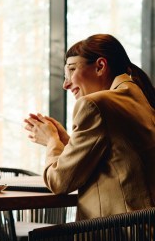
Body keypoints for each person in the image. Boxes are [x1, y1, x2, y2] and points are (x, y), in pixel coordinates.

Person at [24, 33, 155, 220]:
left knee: (36, 238)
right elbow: (116, 160)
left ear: (100, 66)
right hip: (143, 233)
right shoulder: (141, 98)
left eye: (71, 70)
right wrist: (68, 142)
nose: (65, 84)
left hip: (117, 237)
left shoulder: (94, 104)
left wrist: (52, 141)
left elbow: (60, 182)